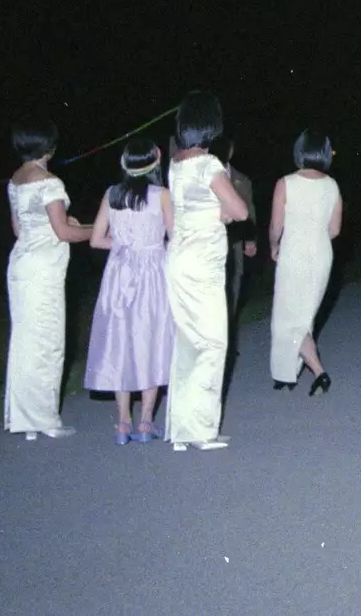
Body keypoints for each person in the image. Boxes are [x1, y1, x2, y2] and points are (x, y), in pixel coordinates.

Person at [164, 92, 248, 452]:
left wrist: (218, 213)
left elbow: (194, 210)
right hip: (202, 263)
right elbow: (241, 211)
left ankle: (183, 429)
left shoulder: (176, 164)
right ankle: (200, 429)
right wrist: (224, 213)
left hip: (179, 258)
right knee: (213, 342)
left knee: (188, 343)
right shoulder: (209, 165)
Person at [3, 120, 91, 441]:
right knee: (49, 341)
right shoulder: (50, 182)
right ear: (49, 147)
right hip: (44, 269)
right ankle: (46, 420)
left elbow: (21, 227)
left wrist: (66, 223)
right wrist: (98, 230)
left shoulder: (15, 180)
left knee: (27, 341)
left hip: (21, 263)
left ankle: (27, 420)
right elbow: (63, 233)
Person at [84, 138, 174, 445]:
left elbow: (96, 239)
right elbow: (174, 236)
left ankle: (123, 423)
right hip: (152, 273)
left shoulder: (112, 194)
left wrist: (124, 245)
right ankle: (146, 422)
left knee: (120, 343)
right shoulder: (161, 195)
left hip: (120, 274)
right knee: (151, 340)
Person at [268, 129, 342, 395]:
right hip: (321, 253)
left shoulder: (286, 183)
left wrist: (274, 245)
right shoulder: (332, 185)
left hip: (294, 251)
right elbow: (334, 229)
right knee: (303, 316)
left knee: (287, 319)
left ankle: (319, 372)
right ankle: (287, 373)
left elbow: (276, 225)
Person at [220, 136, 257, 338]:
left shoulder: (241, 179)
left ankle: (228, 334)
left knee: (234, 286)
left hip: (235, 243)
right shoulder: (205, 175)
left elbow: (249, 210)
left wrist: (250, 239)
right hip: (211, 242)